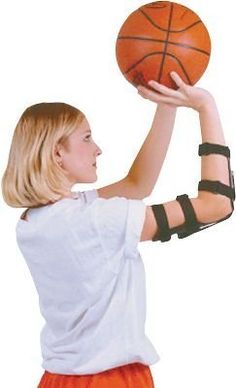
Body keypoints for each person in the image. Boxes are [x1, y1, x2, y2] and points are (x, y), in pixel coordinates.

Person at [1, 71, 234, 388]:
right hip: (111, 380)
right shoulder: (95, 221)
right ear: (58, 153)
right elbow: (218, 204)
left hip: (58, 379)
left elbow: (138, 183)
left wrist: (167, 105)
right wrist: (206, 106)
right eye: (86, 138)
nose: (97, 149)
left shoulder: (36, 221)